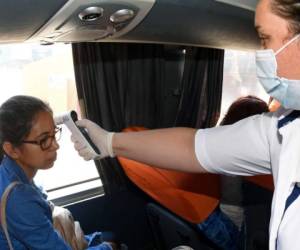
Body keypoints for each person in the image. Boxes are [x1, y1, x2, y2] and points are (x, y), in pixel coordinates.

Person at [72, 0, 300, 249]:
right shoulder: (281, 127)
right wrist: (109, 141)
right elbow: (192, 147)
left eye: (265, 38)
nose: (262, 54)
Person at [0, 95, 117, 250]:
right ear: (12, 150)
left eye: (53, 134)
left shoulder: (12, 174)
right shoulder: (17, 199)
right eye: (44, 140)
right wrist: (108, 248)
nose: (55, 145)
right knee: (112, 241)